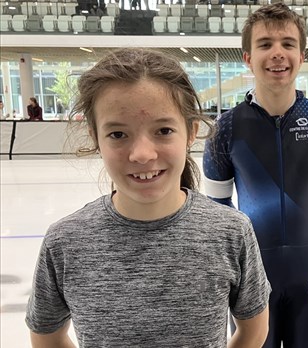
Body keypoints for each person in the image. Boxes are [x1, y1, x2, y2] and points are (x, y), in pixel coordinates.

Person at [25, 48, 271, 348]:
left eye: (163, 130)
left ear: (191, 131)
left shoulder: (231, 232)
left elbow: (253, 330)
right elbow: (46, 336)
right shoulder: (64, 242)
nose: (142, 154)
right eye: (118, 134)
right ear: (95, 137)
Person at [202, 3, 308, 348]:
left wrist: (300, 225)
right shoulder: (225, 129)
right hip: (252, 276)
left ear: (302, 54)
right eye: (265, 44)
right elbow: (218, 207)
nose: (277, 53)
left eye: (288, 43)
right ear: (248, 58)